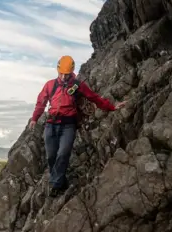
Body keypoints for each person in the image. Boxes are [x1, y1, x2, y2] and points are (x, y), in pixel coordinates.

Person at [29, 55, 127, 197]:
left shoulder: (77, 86)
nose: (63, 77)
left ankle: (56, 185)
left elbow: (94, 98)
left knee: (63, 153)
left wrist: (112, 107)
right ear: (57, 70)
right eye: (61, 73)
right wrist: (34, 119)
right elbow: (41, 103)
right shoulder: (50, 85)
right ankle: (60, 180)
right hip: (51, 124)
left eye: (67, 74)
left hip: (68, 125)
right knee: (51, 156)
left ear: (71, 72)